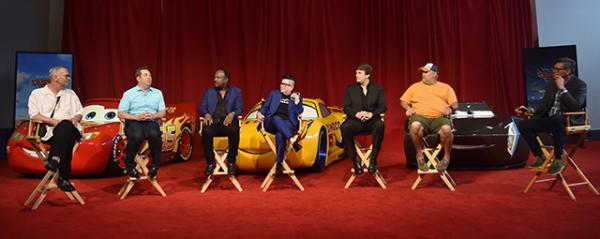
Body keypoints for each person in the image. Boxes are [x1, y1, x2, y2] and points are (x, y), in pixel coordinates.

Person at [515, 57, 587, 175]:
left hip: (567, 120)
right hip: (551, 119)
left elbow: (576, 107)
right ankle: (540, 156)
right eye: (554, 69)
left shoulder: (579, 84)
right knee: (524, 124)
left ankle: (558, 158)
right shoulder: (551, 84)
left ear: (568, 71)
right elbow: (544, 104)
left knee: (557, 119)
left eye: (558, 69)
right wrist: (530, 109)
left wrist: (563, 89)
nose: (555, 71)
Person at [28, 66, 83, 192]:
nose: (68, 78)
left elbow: (80, 113)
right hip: (49, 132)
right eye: (66, 75)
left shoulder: (71, 94)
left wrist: (75, 119)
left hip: (71, 129)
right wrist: (54, 121)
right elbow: (34, 115)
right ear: (56, 78)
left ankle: (54, 159)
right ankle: (63, 178)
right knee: (66, 137)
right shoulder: (37, 94)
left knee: (66, 126)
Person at [400, 63, 458, 172]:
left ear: (435, 74)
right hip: (420, 117)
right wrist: (408, 108)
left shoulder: (445, 87)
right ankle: (420, 156)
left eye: (426, 72)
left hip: (439, 118)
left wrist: (450, 108)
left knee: (447, 129)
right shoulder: (415, 87)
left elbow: (455, 104)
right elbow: (403, 101)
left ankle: (446, 158)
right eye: (422, 72)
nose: (423, 74)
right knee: (415, 126)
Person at [118, 66, 166, 179]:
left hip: (151, 121)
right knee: (137, 136)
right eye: (146, 75)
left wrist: (153, 115)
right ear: (138, 78)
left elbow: (163, 112)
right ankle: (129, 166)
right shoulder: (129, 93)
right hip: (134, 121)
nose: (149, 77)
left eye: (150, 76)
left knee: (155, 135)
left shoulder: (157, 93)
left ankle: (155, 166)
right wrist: (136, 117)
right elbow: (121, 113)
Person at [340, 64, 386, 175]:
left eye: (359, 73)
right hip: (355, 121)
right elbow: (346, 107)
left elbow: (383, 107)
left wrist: (371, 114)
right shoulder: (350, 89)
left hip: (372, 121)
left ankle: (373, 159)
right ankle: (355, 160)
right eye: (356, 73)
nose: (356, 75)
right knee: (344, 127)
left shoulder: (378, 88)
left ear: (367, 75)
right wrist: (356, 114)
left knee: (380, 125)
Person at [199, 68, 243, 176]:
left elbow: (239, 108)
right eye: (215, 77)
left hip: (228, 121)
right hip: (213, 121)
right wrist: (206, 114)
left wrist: (232, 114)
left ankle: (231, 161)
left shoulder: (236, 92)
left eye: (218, 78)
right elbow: (201, 107)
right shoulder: (208, 92)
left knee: (234, 129)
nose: (215, 79)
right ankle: (210, 162)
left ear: (226, 80)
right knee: (206, 130)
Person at [257, 74, 303, 175]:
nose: (283, 86)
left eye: (286, 85)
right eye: (282, 83)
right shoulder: (274, 94)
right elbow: (265, 107)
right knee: (276, 118)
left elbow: (299, 112)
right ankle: (292, 140)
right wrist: (259, 112)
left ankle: (279, 164)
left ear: (292, 87)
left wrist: (296, 101)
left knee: (280, 134)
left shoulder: (296, 97)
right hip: (271, 123)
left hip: (288, 124)